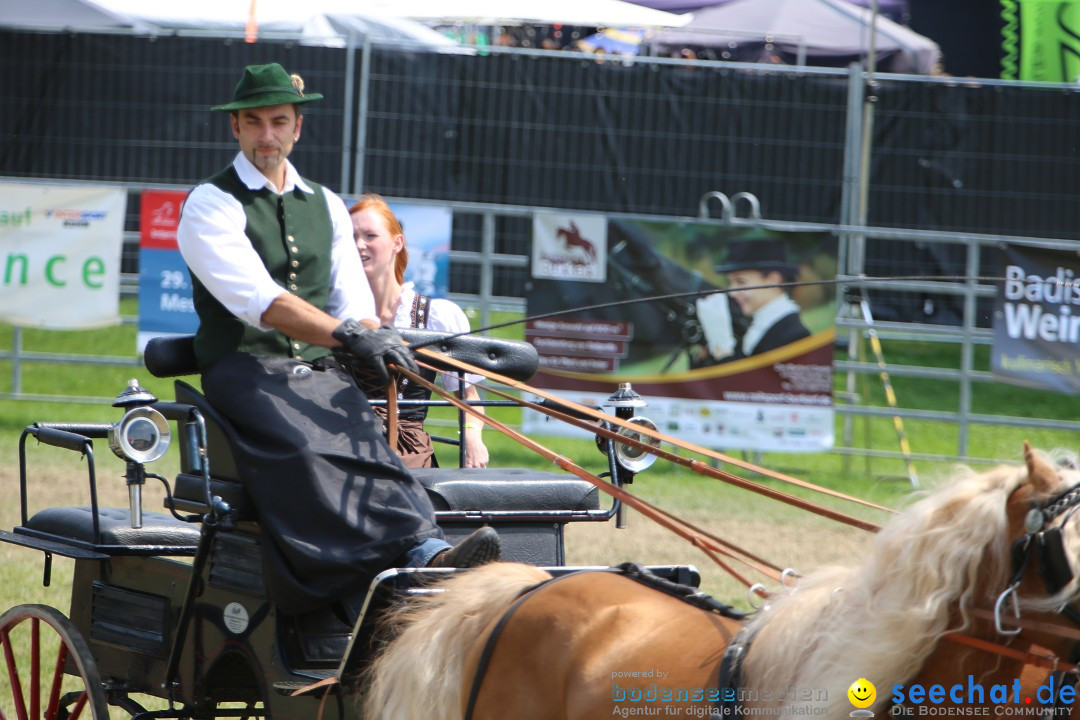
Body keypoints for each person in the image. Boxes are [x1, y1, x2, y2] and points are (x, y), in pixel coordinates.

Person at [175, 63, 499, 615]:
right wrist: (349, 333)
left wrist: (382, 339)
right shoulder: (210, 203)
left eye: (279, 122)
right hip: (243, 368)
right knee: (303, 444)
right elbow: (263, 302)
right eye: (253, 123)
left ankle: (424, 551)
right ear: (235, 128)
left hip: (318, 372)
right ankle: (348, 578)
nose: (266, 136)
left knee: (367, 440)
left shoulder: (325, 204)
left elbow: (352, 306)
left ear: (298, 126)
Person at [349, 194, 490, 470]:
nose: (358, 245)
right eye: (351, 236)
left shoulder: (437, 317)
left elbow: (467, 394)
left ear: (397, 243)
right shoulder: (331, 313)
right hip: (342, 441)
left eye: (370, 235)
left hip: (406, 449)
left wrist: (473, 437)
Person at [703, 238, 810, 362]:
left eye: (741, 281)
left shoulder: (794, 337)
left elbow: (754, 380)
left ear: (773, 280)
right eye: (730, 282)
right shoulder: (755, 325)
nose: (732, 292)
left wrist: (723, 350)